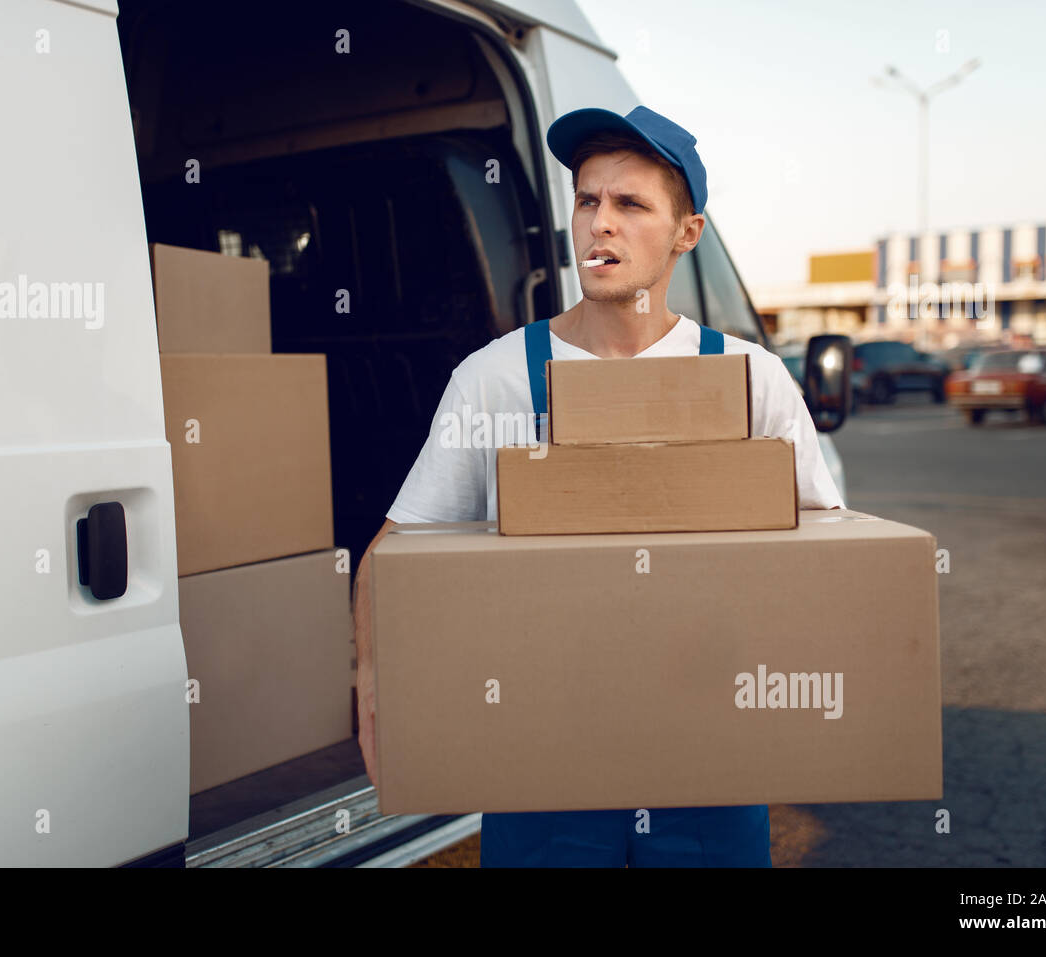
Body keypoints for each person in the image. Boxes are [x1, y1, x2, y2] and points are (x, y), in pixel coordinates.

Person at [353, 105, 845, 868]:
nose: (600, 224)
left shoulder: (752, 380)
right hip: (545, 775)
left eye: (630, 204)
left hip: (708, 770)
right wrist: (373, 683)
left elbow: (824, 559)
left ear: (687, 233)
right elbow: (395, 553)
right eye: (587, 200)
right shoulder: (497, 381)